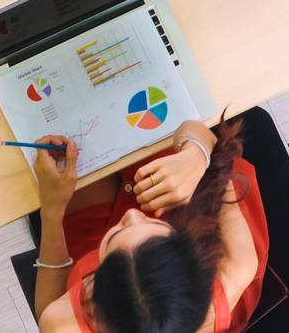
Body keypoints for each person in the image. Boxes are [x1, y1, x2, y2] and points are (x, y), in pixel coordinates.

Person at [31, 120, 268, 333]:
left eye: (117, 234)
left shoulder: (61, 326)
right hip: (186, 213)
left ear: (92, 307)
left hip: (91, 245)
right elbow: (213, 150)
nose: (132, 214)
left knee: (70, 151)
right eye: (163, 236)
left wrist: (51, 210)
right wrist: (196, 156)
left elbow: (50, 309)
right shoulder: (236, 267)